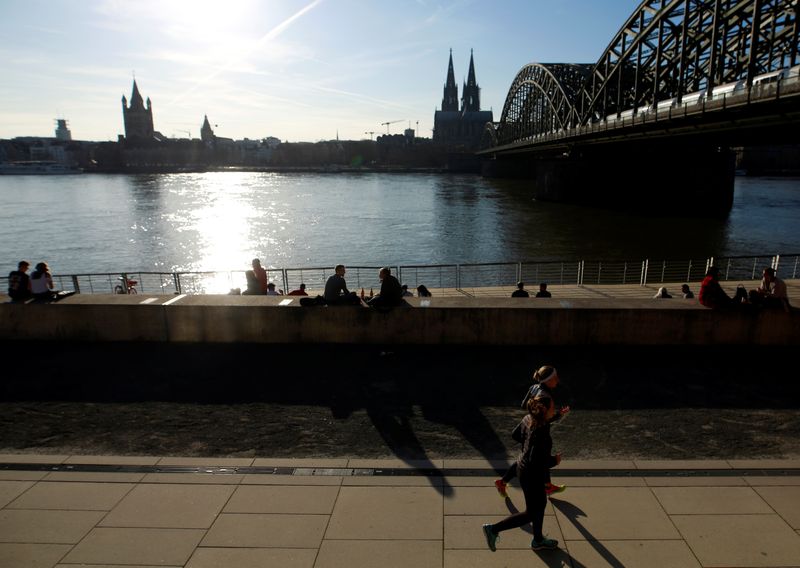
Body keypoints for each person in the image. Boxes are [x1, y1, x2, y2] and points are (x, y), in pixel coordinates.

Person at [483, 392, 562, 552]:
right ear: (545, 409)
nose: (555, 408)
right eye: (553, 407)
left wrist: (527, 444)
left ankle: (538, 540)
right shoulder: (542, 434)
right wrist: (554, 461)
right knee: (531, 513)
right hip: (532, 475)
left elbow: (515, 434)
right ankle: (493, 529)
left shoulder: (529, 419)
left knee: (540, 505)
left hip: (522, 468)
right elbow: (537, 461)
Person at [496, 365, 569, 499]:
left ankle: (546, 486)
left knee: (526, 458)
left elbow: (524, 405)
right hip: (538, 431)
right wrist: (558, 415)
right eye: (554, 378)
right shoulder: (546, 398)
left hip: (528, 425)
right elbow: (545, 419)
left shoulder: (534, 387)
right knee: (535, 457)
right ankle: (545, 486)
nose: (557, 380)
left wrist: (533, 413)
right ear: (547, 381)